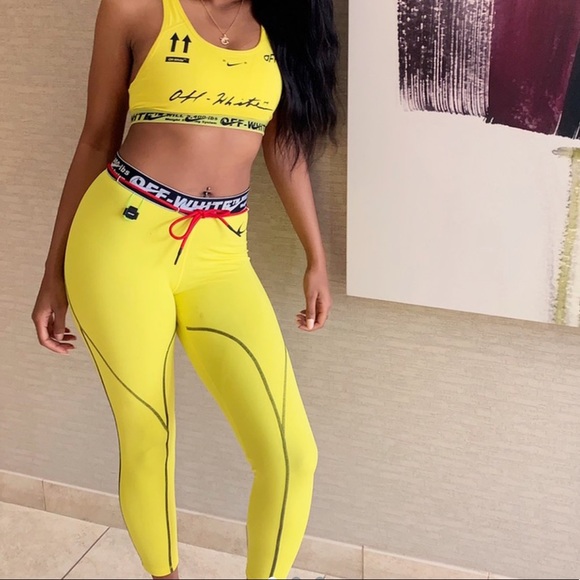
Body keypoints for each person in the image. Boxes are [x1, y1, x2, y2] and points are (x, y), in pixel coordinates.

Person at [31, 0, 339, 578]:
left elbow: (284, 145)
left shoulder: (284, 21)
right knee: (150, 437)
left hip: (222, 254)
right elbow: (96, 139)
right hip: (119, 240)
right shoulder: (135, 7)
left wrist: (315, 255)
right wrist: (54, 273)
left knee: (292, 455)